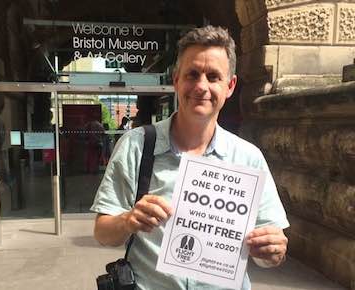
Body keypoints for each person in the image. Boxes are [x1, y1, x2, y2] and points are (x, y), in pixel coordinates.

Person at [91, 26, 289, 290]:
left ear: (230, 86)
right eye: (192, 74)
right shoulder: (137, 145)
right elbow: (102, 233)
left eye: (213, 76)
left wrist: (273, 251)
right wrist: (128, 220)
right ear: (176, 80)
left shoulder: (248, 158)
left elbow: (270, 249)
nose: (201, 86)